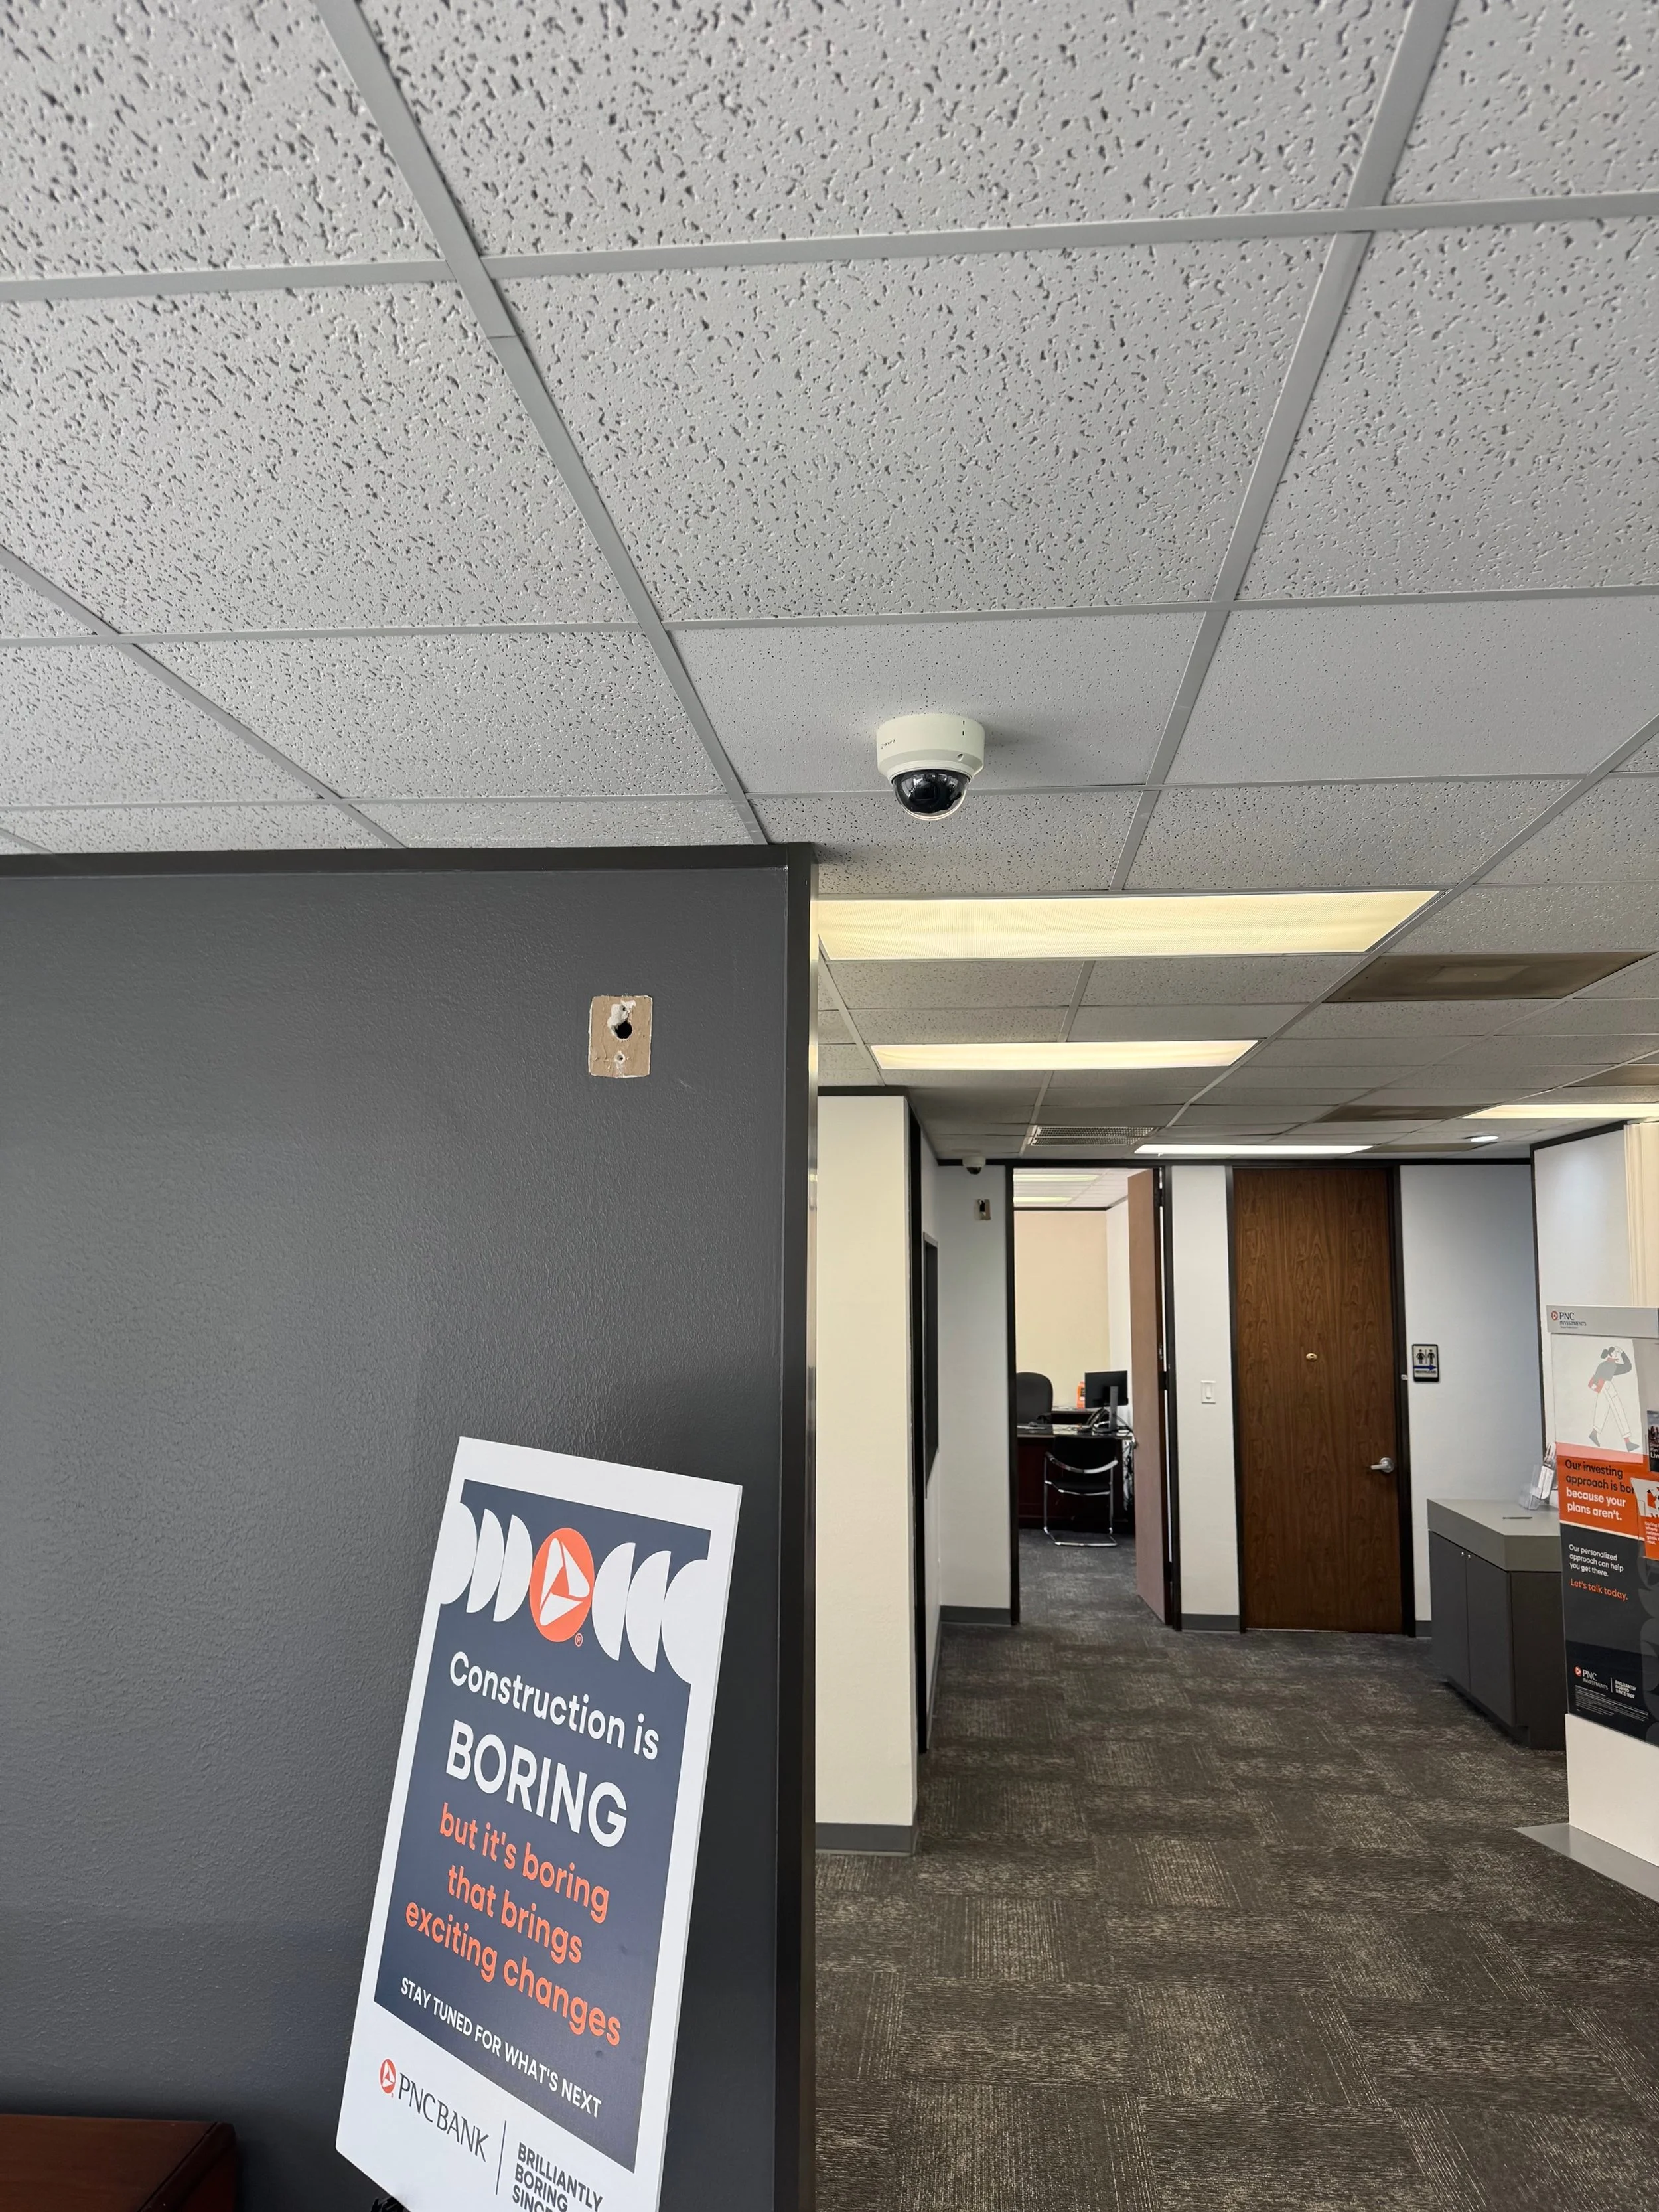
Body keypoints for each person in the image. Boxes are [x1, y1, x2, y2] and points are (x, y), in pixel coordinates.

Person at [1588, 1345, 1637, 1451]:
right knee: (1618, 1411)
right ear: (1611, 1354)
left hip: (1602, 1387)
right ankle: (1628, 1442)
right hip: (1607, 1386)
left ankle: (1594, 1434)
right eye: (1616, 1353)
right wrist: (1623, 1352)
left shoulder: (1603, 1365)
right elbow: (1628, 1367)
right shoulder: (1612, 1366)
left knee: (1601, 1411)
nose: (1617, 1355)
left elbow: (1596, 1377)